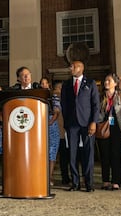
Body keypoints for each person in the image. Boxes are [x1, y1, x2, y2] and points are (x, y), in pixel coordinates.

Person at [60, 61, 100, 192]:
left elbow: (95, 104)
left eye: (74, 66)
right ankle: (75, 182)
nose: (71, 68)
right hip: (72, 124)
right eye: (70, 66)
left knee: (88, 153)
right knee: (72, 153)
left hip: (87, 123)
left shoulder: (90, 83)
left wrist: (93, 122)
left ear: (81, 68)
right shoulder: (66, 84)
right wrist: (66, 121)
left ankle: (89, 183)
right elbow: (64, 104)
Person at [97, 74, 121, 191]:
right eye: (105, 80)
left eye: (109, 80)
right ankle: (105, 180)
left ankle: (116, 181)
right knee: (104, 155)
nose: (106, 82)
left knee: (115, 154)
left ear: (115, 83)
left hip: (116, 127)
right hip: (103, 127)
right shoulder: (100, 97)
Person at [41, 78, 61, 186]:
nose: (43, 85)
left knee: (51, 152)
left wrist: (49, 122)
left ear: (48, 84)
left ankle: (49, 177)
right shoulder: (38, 96)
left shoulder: (53, 96)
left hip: (51, 124)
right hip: (40, 125)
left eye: (45, 83)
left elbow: (57, 112)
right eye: (41, 83)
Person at [53, 81, 71, 185]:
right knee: (57, 156)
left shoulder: (66, 99)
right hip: (57, 130)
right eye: (60, 88)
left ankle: (65, 177)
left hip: (64, 132)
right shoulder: (54, 99)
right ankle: (63, 177)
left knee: (64, 156)